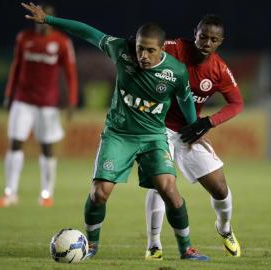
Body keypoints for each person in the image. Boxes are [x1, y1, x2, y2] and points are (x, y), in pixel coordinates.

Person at [22, 2, 210, 261]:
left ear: (161, 49)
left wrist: (194, 130)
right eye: (140, 48)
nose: (143, 55)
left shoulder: (175, 71)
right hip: (118, 134)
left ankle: (186, 249)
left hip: (154, 137)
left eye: (150, 51)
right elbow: (89, 32)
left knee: (169, 190)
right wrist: (50, 21)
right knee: (99, 192)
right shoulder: (121, 50)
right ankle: (91, 246)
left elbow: (187, 101)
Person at [144, 14, 244, 260]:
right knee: (161, 185)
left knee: (220, 189)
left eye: (213, 39)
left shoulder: (219, 69)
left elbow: (236, 103)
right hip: (158, 127)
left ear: (220, 42)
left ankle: (225, 228)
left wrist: (206, 123)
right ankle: (154, 244)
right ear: (195, 33)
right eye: (203, 36)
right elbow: (142, 47)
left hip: (189, 131)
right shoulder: (174, 48)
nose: (206, 43)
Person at [0, 3, 78, 208]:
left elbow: (70, 73)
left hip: (48, 104)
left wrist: (72, 101)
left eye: (45, 17)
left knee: (47, 147)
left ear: (51, 18)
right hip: (22, 100)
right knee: (15, 143)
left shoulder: (62, 41)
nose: (41, 21)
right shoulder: (24, 38)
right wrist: (8, 93)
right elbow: (16, 67)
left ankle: (46, 193)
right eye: (37, 17)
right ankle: (10, 192)